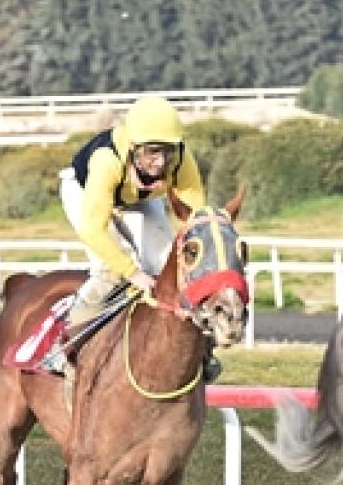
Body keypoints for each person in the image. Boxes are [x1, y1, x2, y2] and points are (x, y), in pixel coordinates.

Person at [45, 94, 220, 382]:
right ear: (132, 146)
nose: (161, 161)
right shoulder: (106, 161)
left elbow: (195, 221)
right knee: (111, 270)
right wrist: (134, 272)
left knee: (170, 265)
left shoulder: (181, 160)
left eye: (167, 151)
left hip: (135, 197)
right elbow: (93, 230)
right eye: (152, 152)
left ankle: (203, 348)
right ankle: (61, 344)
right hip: (84, 192)